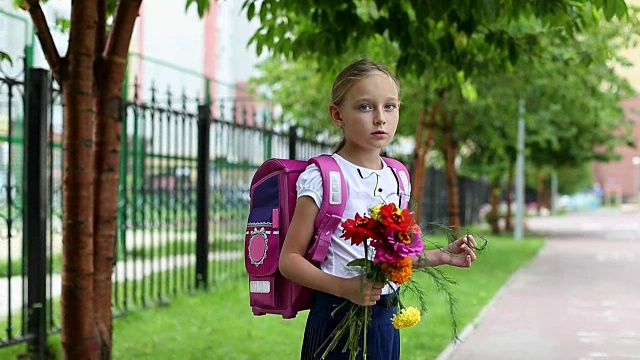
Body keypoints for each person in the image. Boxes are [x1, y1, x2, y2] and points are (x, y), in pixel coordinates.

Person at [279, 59, 478, 360]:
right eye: (364, 107)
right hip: (335, 318)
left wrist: (441, 256)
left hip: (385, 321)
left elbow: (393, 258)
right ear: (337, 114)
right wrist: (345, 288)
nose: (380, 119)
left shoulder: (397, 177)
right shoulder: (324, 177)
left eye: (390, 106)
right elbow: (289, 260)